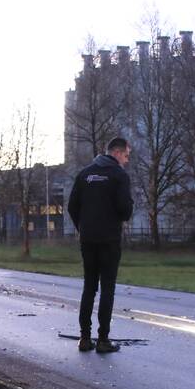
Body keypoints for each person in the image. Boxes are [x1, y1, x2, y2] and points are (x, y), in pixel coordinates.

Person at [68, 137, 134, 353]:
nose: (126, 160)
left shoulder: (85, 174)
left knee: (89, 287)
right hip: (109, 240)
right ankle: (103, 339)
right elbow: (125, 210)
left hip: (87, 240)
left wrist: (83, 228)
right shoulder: (118, 175)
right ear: (117, 152)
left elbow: (72, 206)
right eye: (126, 155)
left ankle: (84, 338)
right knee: (107, 288)